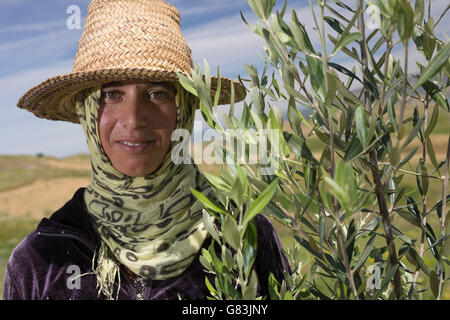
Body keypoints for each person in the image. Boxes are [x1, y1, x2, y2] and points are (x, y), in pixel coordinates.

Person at [2, 0, 289, 300]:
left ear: (185, 109)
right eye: (112, 94)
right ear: (87, 111)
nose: (134, 118)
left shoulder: (244, 234)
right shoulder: (38, 260)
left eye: (157, 93)